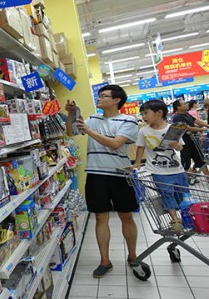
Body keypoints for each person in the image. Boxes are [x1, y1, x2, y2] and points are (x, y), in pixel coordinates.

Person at [65, 84, 145, 279]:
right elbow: (71, 132)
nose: (99, 99)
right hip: (95, 173)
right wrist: (71, 115)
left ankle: (133, 256)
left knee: (126, 216)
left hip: (120, 174)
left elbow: (115, 144)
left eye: (104, 96)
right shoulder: (92, 119)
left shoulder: (128, 121)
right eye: (99, 96)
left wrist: (89, 131)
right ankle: (104, 261)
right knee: (101, 218)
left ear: (117, 100)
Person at [134, 100, 188, 233]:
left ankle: (187, 217)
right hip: (158, 171)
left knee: (184, 195)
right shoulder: (144, 131)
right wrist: (137, 163)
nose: (144, 116)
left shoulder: (173, 129)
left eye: (146, 113)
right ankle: (175, 220)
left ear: (159, 113)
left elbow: (181, 147)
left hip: (177, 169)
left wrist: (176, 146)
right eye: (142, 114)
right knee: (166, 194)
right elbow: (140, 148)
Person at [171, 99, 209, 175]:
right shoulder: (176, 117)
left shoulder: (186, 114)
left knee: (200, 158)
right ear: (178, 107)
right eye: (184, 104)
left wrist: (207, 125)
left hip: (193, 140)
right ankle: (187, 177)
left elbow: (196, 121)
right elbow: (187, 128)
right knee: (186, 161)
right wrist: (203, 129)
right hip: (185, 142)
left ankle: (207, 176)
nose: (187, 105)